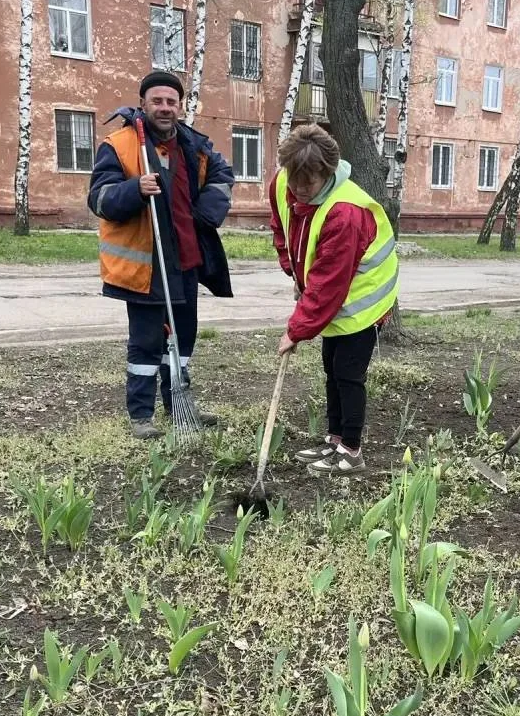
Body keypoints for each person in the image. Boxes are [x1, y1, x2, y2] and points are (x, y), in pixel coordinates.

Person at [87, 71, 234, 439]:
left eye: (172, 101)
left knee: (183, 340)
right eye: (158, 101)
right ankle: (141, 414)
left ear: (180, 106)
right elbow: (99, 199)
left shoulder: (193, 145)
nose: (165, 108)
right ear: (143, 104)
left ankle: (178, 404)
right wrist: (135, 189)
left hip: (186, 261)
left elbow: (222, 176)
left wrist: (205, 214)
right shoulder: (120, 145)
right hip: (145, 267)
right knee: (146, 343)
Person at [268, 124, 399, 477]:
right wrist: (294, 274)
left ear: (326, 173)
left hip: (363, 299)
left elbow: (329, 282)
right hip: (334, 293)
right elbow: (283, 229)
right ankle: (334, 439)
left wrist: (296, 331)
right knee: (331, 368)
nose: (297, 189)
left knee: (348, 374)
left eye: (307, 183)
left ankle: (352, 451)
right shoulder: (284, 183)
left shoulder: (345, 212)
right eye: (293, 178)